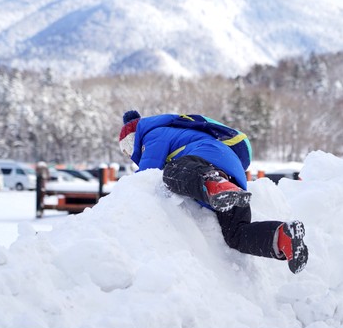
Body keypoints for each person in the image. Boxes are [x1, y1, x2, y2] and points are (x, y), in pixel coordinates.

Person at [118, 110, 309, 274]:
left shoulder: (153, 133)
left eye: (126, 148)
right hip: (232, 174)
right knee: (235, 234)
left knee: (172, 173)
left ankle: (216, 184)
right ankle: (283, 237)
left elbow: (146, 174)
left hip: (207, 156)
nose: (128, 154)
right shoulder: (167, 132)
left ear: (133, 138)